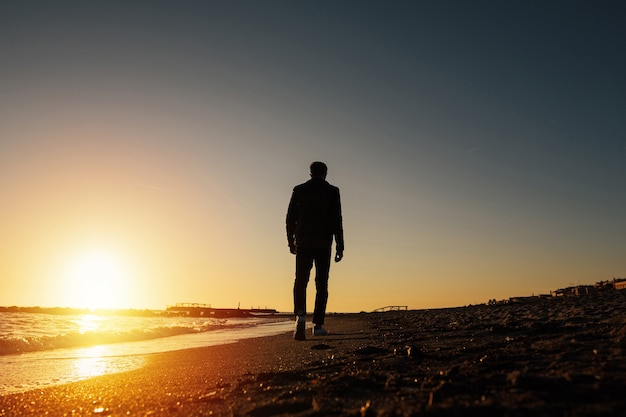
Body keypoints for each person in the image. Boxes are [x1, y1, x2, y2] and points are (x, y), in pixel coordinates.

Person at [286, 161, 344, 340]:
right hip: (324, 243)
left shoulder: (299, 190)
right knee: (321, 284)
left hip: (303, 242)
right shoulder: (332, 191)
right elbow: (337, 219)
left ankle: (300, 316)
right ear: (325, 173)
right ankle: (318, 325)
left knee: (301, 281)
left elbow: (290, 219)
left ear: (310, 173)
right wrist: (340, 244)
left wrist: (291, 241)